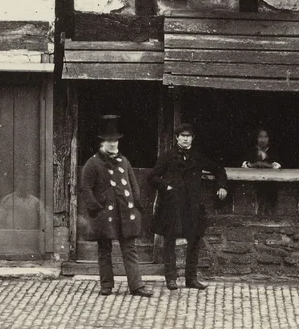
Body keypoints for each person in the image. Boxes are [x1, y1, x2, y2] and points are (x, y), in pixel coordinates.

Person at [79, 115, 154, 298]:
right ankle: (106, 285)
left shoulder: (124, 161)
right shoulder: (93, 163)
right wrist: (95, 208)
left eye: (115, 141)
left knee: (130, 249)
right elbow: (85, 188)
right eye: (108, 141)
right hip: (105, 215)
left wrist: (136, 203)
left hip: (126, 214)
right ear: (102, 142)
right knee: (104, 250)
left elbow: (133, 183)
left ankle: (136, 286)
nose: (112, 144)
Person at [150, 123, 228, 290]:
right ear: (177, 137)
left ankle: (190, 279)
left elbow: (218, 169)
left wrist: (222, 186)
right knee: (169, 241)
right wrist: (166, 186)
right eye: (182, 135)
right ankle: (171, 278)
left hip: (192, 206)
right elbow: (152, 177)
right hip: (173, 205)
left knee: (194, 242)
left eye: (188, 136)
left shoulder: (197, 157)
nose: (185, 139)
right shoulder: (167, 156)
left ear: (193, 138)